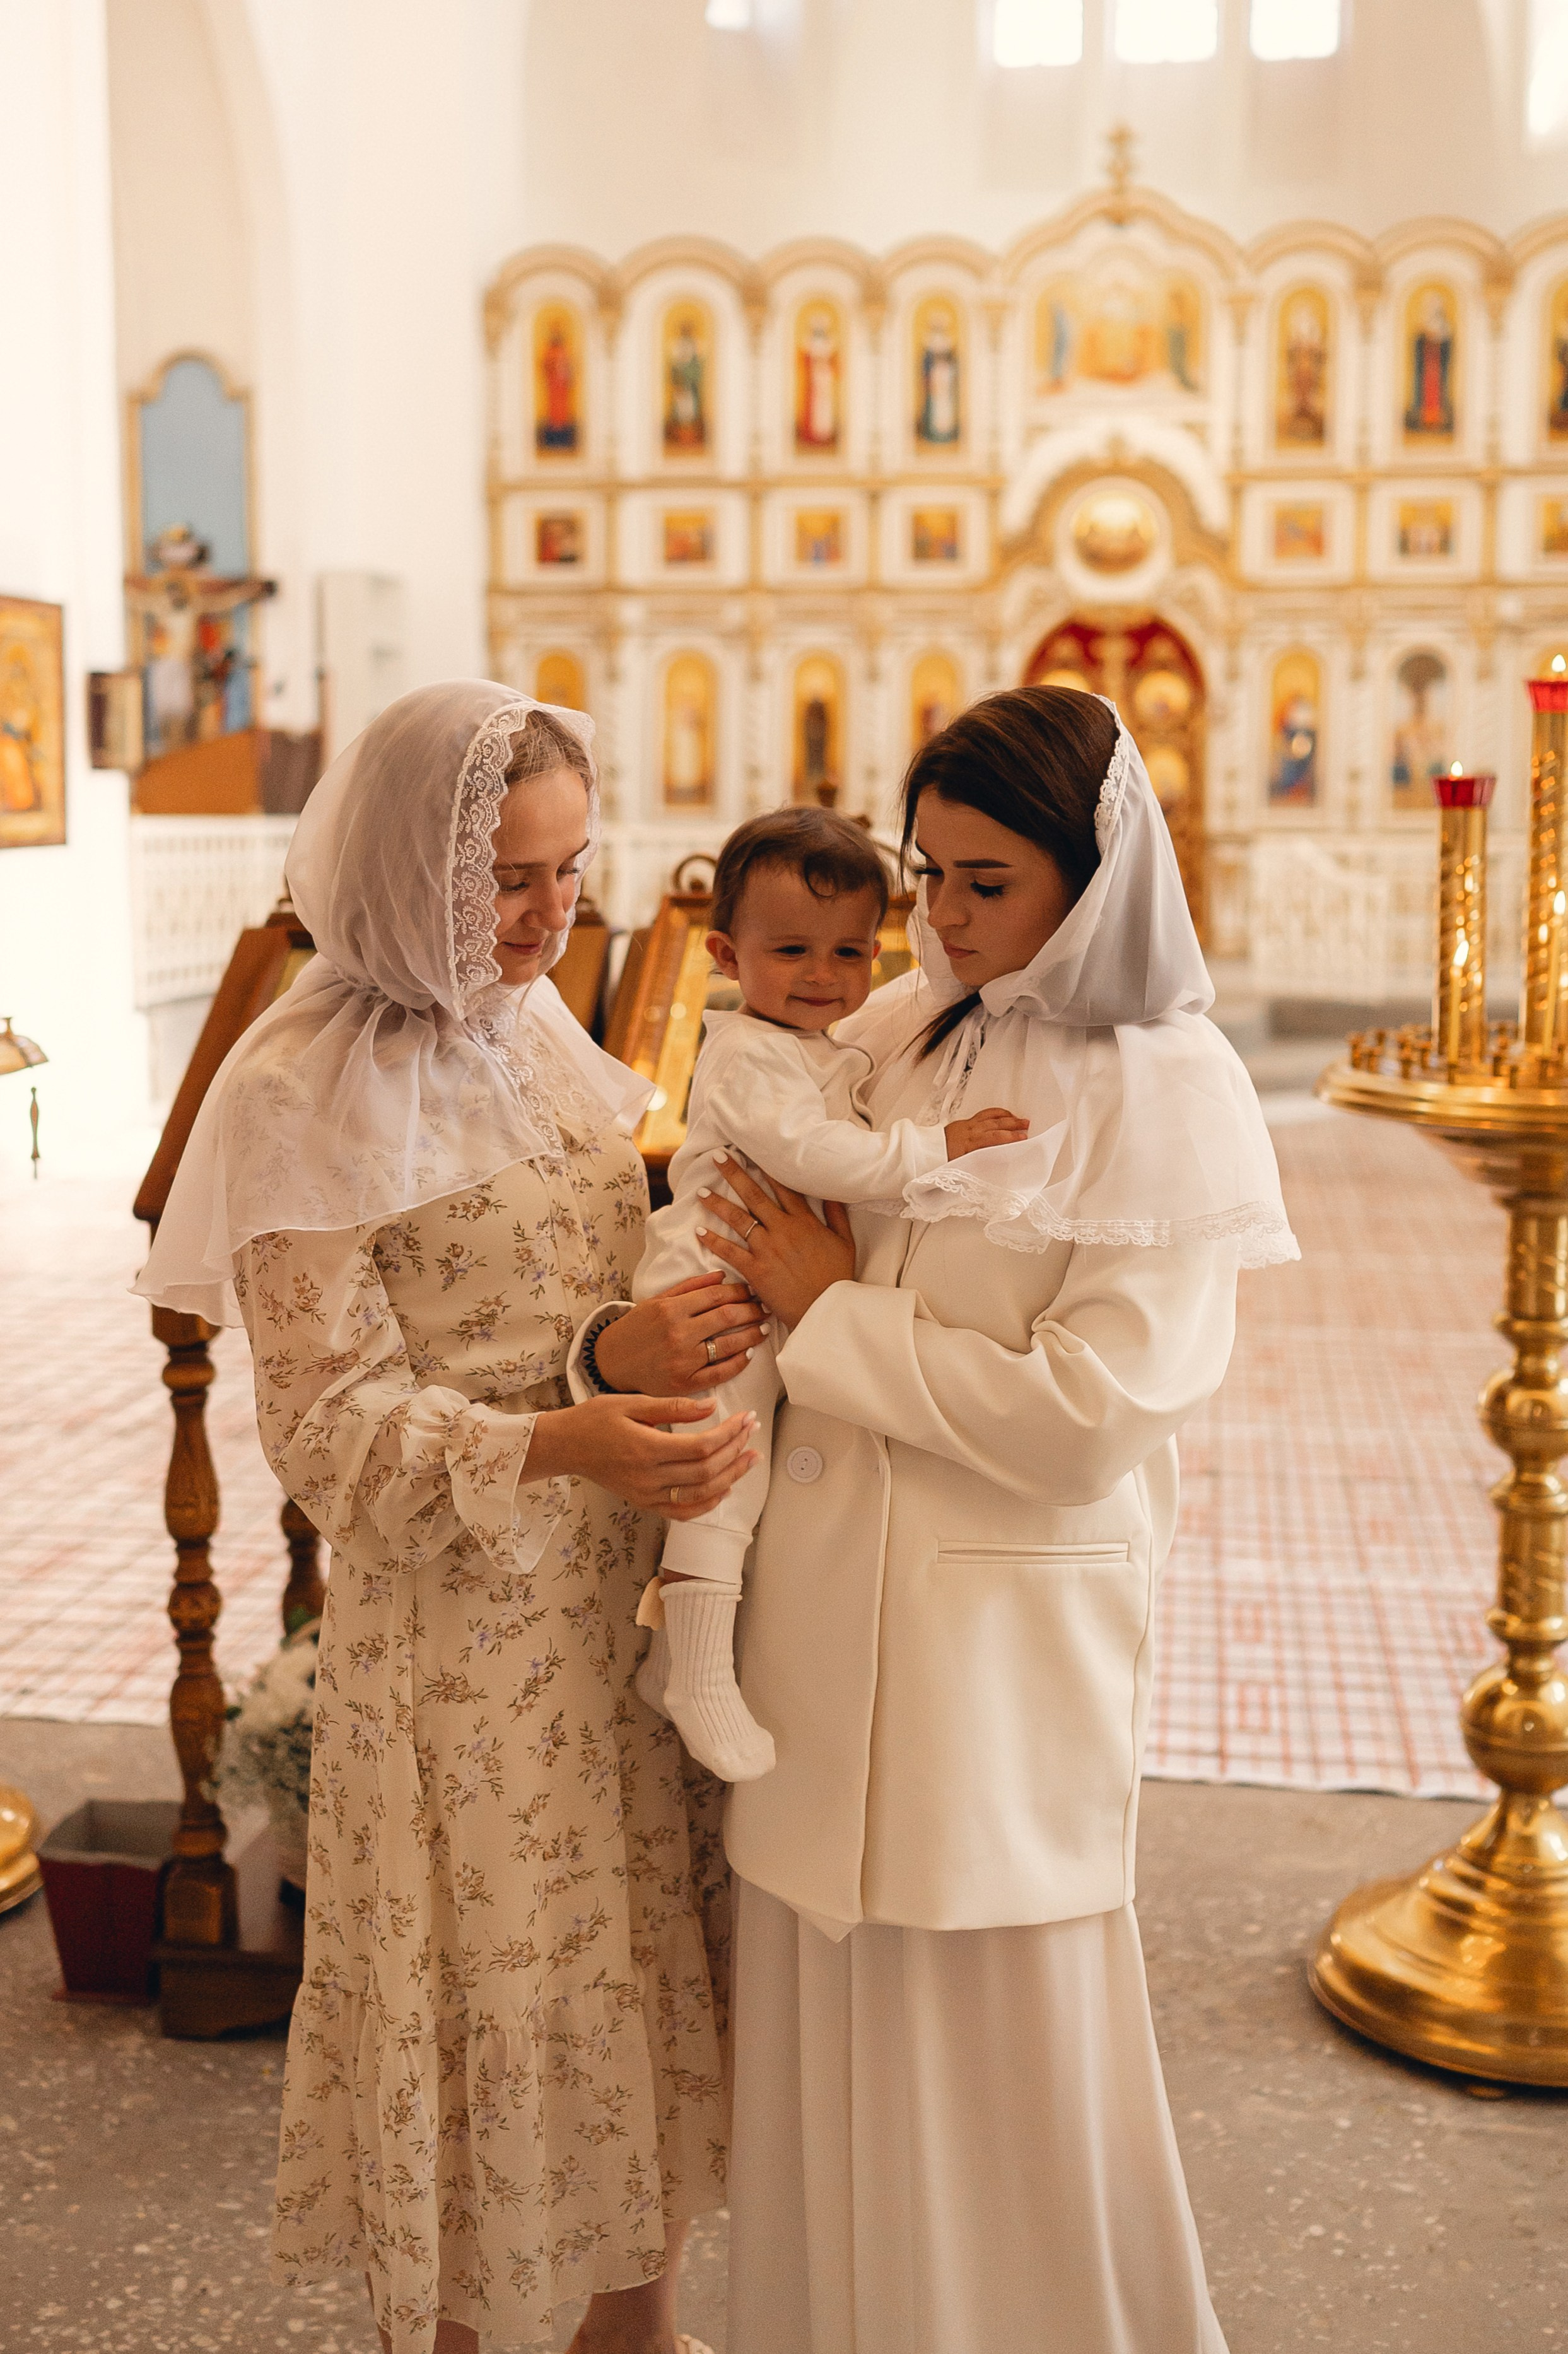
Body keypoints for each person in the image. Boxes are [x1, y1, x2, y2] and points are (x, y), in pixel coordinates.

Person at [136, 681, 768, 2354]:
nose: (549, 919)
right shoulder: (292, 1089)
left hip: (609, 1600)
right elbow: (326, 1437)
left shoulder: (540, 1034)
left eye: (570, 874)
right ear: (410, 864)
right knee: (485, 1997)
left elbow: (579, 1300)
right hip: (459, 1647)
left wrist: (642, 1347)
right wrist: (570, 1439)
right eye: (509, 878)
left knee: (626, 1970)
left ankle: (630, 2328)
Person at [693, 686, 1298, 2354]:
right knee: (826, 2062)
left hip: (984, 1662)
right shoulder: (893, 1025)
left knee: (996, 2089)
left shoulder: (1165, 1086)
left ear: (1089, 880)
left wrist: (827, 1316)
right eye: (924, 873)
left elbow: (1091, 1417)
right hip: (817, 1642)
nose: (940, 918)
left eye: (984, 882)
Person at [602, 805, 1025, 1783]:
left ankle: (674, 1655)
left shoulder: (823, 1045)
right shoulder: (749, 1050)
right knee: (727, 1464)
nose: (822, 976)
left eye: (848, 952)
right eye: (790, 949)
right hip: (713, 1286)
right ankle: (697, 1673)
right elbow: (809, 1155)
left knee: (745, 1469)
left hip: (759, 1278)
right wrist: (935, 1151)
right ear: (723, 951)